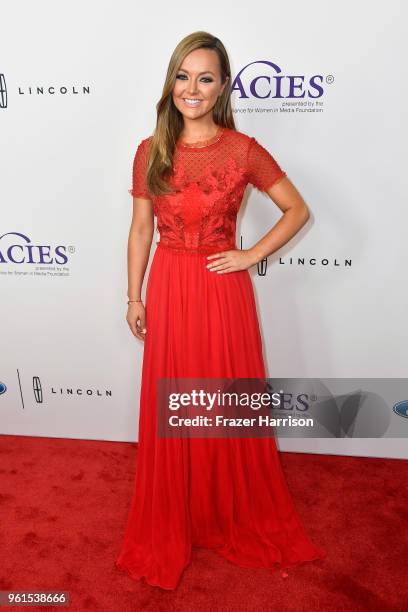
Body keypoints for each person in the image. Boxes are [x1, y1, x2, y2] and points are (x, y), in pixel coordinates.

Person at [116, 31, 326, 590]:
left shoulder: (243, 150)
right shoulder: (150, 150)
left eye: (205, 78)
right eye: (183, 77)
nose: (192, 88)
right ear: (171, 83)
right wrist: (134, 295)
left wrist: (251, 253)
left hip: (220, 288)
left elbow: (296, 209)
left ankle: (224, 512)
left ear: (222, 86)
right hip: (169, 285)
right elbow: (141, 229)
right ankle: (180, 515)